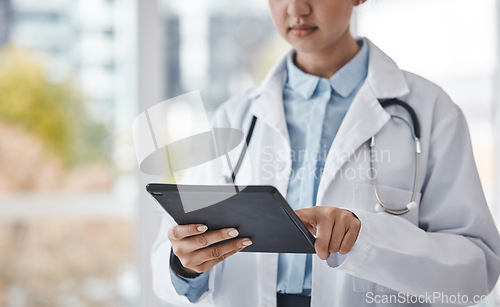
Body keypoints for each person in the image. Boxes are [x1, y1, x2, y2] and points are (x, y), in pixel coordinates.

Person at [151, 0, 500, 306]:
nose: (296, 8)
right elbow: (168, 253)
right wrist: (185, 263)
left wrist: (368, 237)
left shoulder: (431, 111)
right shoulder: (234, 117)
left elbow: (475, 271)